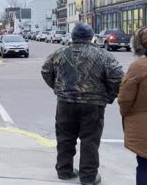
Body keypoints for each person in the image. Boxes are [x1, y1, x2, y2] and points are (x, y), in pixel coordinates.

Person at [41, 23, 124, 185]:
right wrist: (108, 95)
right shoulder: (103, 55)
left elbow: (46, 71)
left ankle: (64, 170)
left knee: (65, 137)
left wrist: (59, 89)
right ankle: (88, 176)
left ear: (73, 37)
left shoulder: (59, 53)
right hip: (93, 103)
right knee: (90, 140)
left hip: (65, 102)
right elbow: (118, 77)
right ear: (91, 37)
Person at [118, 27, 147, 185]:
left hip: (143, 126)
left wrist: (126, 115)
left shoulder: (138, 67)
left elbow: (125, 99)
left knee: (144, 166)